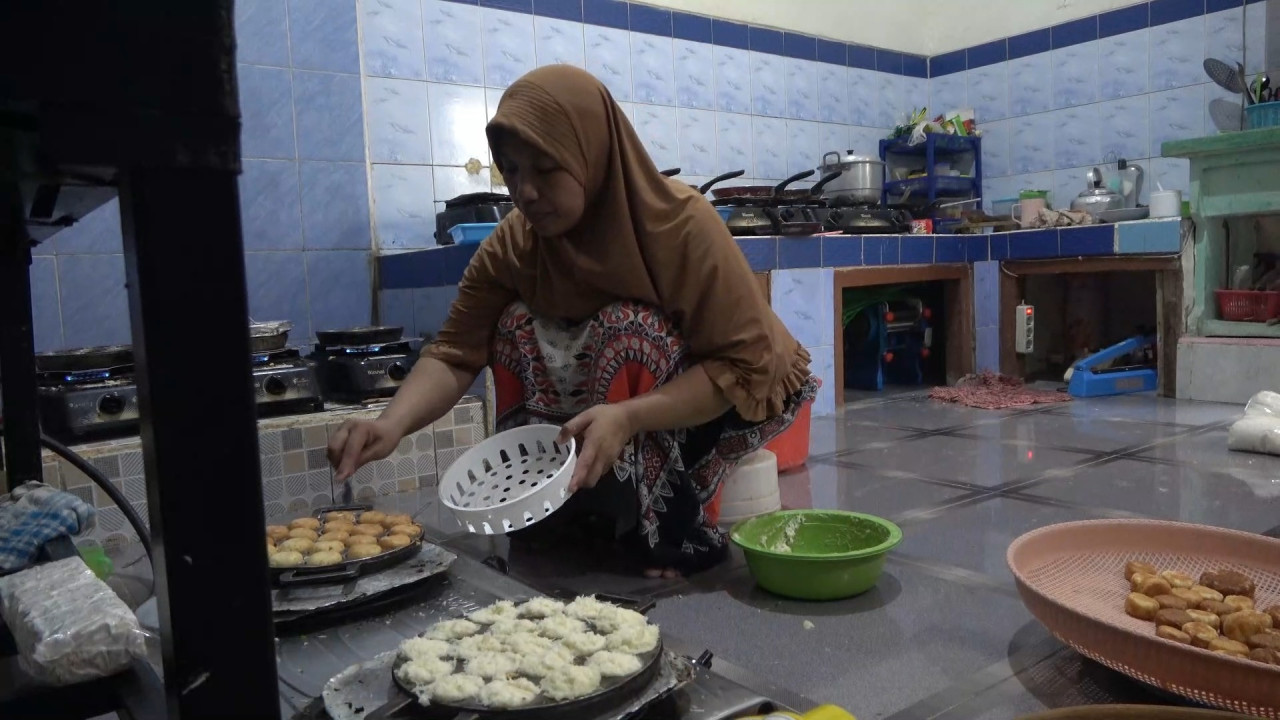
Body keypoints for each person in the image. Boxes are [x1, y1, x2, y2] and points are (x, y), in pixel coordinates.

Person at [327, 65, 815, 577]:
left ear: (592, 155)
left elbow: (742, 365)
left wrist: (629, 417)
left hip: (727, 393)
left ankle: (670, 527)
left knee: (628, 330)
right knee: (514, 326)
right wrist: (390, 425)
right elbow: (455, 352)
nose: (526, 191)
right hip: (625, 405)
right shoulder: (516, 244)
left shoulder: (680, 226)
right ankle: (565, 515)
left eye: (546, 169)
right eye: (511, 171)